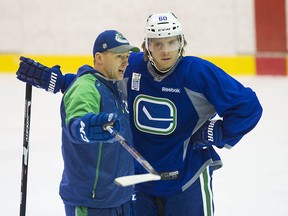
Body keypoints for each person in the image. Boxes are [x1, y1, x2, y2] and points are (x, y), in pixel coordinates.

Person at [16, 12, 263, 216]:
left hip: (188, 182)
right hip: (140, 183)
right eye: (158, 43)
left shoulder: (198, 73)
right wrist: (58, 81)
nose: (166, 50)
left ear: (182, 42)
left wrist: (217, 132)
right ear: (147, 47)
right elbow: (98, 83)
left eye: (172, 41)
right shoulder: (132, 66)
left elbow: (248, 107)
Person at [17, 30, 140, 216]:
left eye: (127, 56)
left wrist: (61, 81)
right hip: (91, 203)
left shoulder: (115, 84)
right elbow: (76, 123)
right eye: (119, 56)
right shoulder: (85, 88)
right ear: (99, 58)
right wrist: (87, 127)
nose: (126, 62)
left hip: (119, 198)